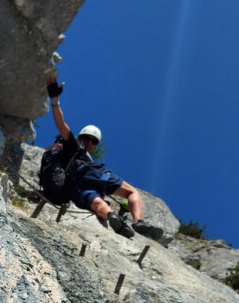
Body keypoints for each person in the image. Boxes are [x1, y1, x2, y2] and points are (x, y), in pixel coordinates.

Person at [42, 79, 163, 241]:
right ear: (81, 138)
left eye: (94, 141)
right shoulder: (75, 146)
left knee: (97, 203)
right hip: (91, 174)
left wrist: (54, 99)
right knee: (131, 192)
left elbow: (61, 125)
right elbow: (61, 124)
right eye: (88, 139)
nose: (90, 143)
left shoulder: (68, 149)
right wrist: (55, 100)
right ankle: (139, 222)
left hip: (74, 187)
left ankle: (112, 216)